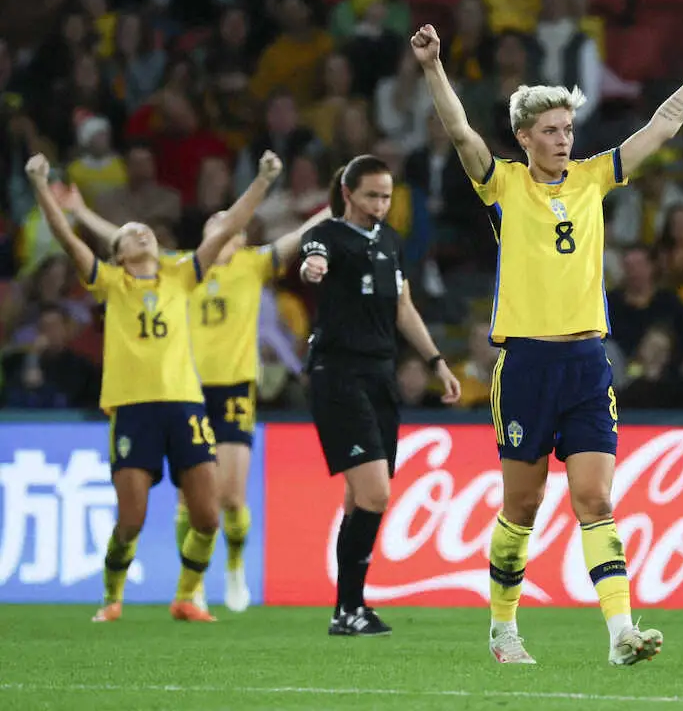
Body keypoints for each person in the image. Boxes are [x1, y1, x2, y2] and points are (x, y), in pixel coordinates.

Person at [412, 19, 683, 665]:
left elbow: (666, 123)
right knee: (523, 507)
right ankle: (503, 630)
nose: (565, 140)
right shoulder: (503, 184)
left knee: (595, 499)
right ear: (525, 137)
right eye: (552, 131)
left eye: (568, 129)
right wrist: (432, 69)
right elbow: (459, 132)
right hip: (527, 363)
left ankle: (621, 633)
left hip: (588, 361)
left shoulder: (595, 176)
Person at [23, 150, 282, 623]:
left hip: (185, 405)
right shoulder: (110, 283)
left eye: (144, 229)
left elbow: (226, 230)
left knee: (207, 516)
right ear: (118, 253)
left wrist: (262, 182)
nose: (140, 231)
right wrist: (42, 186)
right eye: (128, 233)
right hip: (133, 408)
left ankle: (186, 597)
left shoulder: (180, 276)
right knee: (132, 519)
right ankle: (111, 596)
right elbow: (66, 237)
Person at [63, 188, 333, 614]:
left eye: (231, 226)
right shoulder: (180, 268)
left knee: (229, 497)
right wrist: (81, 212)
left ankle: (235, 566)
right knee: (190, 501)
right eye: (216, 224)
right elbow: (129, 243)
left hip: (232, 387)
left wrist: (332, 208)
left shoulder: (252, 265)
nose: (224, 229)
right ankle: (194, 588)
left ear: (241, 236)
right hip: (184, 389)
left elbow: (298, 234)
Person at [299, 154, 462, 637]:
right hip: (338, 374)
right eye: (371, 195)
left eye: (387, 196)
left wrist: (436, 361)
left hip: (380, 375)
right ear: (347, 193)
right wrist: (313, 266)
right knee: (375, 492)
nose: (380, 205)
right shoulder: (328, 234)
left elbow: (404, 307)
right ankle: (348, 608)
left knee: (360, 497)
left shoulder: (390, 242)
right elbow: (314, 255)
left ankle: (348, 608)